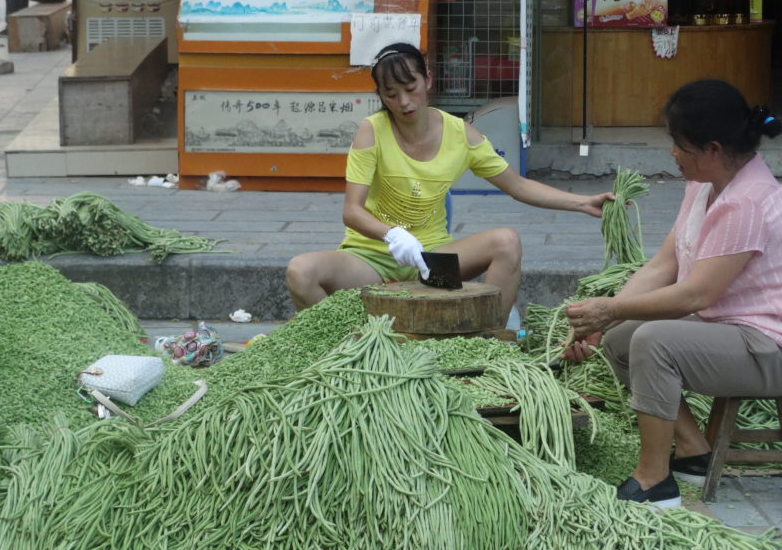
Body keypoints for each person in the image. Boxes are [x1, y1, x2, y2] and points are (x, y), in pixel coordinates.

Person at [562, 79, 782, 508]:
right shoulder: (703, 187)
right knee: (623, 338)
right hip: (729, 330)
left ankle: (653, 478)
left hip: (767, 346)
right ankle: (694, 449)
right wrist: (605, 322)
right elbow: (664, 265)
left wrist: (609, 308)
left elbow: (694, 296)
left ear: (713, 150)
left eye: (679, 144)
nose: (672, 153)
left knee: (653, 341)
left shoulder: (748, 203)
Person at [286, 42, 613, 318]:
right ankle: (348, 349)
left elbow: (519, 185)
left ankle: (486, 341)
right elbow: (352, 212)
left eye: (411, 87)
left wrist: (583, 202)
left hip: (433, 261)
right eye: (391, 94)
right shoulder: (371, 130)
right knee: (301, 271)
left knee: (507, 241)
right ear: (381, 96)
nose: (403, 102)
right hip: (371, 261)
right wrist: (393, 235)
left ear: (428, 79)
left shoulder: (461, 135)